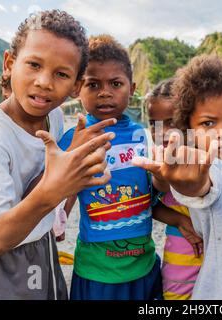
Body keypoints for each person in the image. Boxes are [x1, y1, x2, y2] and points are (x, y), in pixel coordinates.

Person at [0, 10, 113, 300]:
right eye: (34, 64)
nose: (44, 81)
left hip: (37, 241)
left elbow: (39, 184)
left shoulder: (52, 116)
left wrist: (69, 162)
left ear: (76, 86)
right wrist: (56, 187)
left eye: (61, 74)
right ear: (9, 63)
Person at [133, 55, 222, 300]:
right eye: (208, 123)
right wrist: (185, 183)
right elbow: (198, 185)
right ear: (189, 125)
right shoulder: (204, 167)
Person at [58, 34, 162, 300]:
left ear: (132, 87)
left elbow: (155, 192)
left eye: (115, 83)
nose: (104, 92)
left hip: (144, 265)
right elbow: (64, 189)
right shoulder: (75, 138)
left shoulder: (143, 135)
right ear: (78, 88)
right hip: (96, 272)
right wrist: (57, 222)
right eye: (93, 84)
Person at [146, 78, 204, 300]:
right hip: (181, 250)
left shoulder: (207, 157)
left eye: (172, 122)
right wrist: (180, 220)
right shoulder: (156, 161)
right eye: (154, 123)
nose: (162, 132)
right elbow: (149, 203)